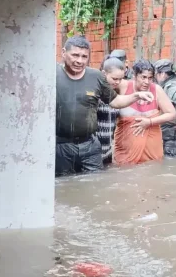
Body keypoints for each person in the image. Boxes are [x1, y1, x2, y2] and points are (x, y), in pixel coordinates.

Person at [56, 36, 154, 176]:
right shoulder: (52, 74)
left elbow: (115, 101)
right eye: (75, 55)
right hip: (61, 146)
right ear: (64, 53)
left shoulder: (95, 76)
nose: (79, 61)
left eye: (84, 56)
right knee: (64, 185)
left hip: (89, 145)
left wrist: (137, 95)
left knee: (95, 184)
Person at [113, 59, 176, 165]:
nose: (147, 82)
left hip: (152, 153)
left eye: (150, 78)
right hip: (125, 151)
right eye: (143, 77)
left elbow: (172, 114)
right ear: (135, 76)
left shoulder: (156, 90)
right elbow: (105, 83)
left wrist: (149, 122)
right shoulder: (123, 86)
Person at [96, 57, 125, 165]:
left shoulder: (117, 94)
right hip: (93, 151)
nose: (118, 82)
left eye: (120, 79)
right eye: (114, 79)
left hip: (107, 150)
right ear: (104, 73)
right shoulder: (95, 92)